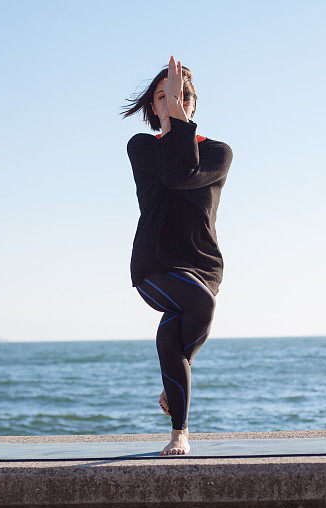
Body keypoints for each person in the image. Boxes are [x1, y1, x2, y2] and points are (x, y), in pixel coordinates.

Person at [120, 56, 233, 455]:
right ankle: (180, 427)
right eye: (163, 96)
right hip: (155, 264)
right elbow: (172, 176)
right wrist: (173, 127)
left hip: (203, 264)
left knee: (173, 333)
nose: (172, 102)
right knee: (197, 305)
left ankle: (176, 408)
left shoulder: (219, 153)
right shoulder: (141, 147)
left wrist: (179, 126)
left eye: (181, 95)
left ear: (194, 103)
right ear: (153, 106)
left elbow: (187, 174)